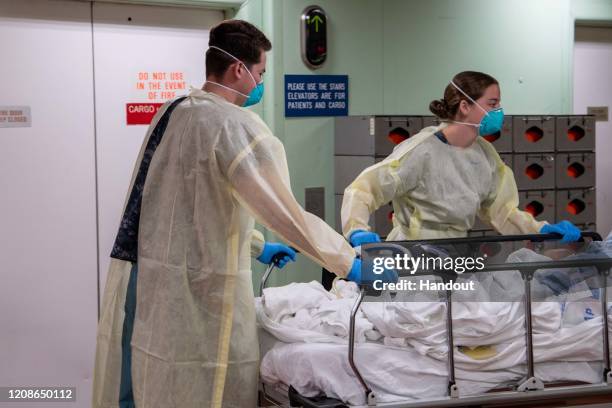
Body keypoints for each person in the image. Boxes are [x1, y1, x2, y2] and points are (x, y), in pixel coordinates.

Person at [92, 19, 386, 408]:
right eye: (261, 72)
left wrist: (257, 245)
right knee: (199, 386)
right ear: (238, 69)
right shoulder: (232, 125)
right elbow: (286, 212)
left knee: (153, 380)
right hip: (198, 290)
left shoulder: (174, 111)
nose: (260, 83)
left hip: (150, 281)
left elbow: (187, 208)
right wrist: (348, 262)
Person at [341, 71, 581, 246]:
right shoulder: (422, 150)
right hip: (413, 257)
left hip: (457, 254)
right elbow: (364, 189)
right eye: (492, 104)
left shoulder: (485, 155)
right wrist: (356, 230)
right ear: (465, 106)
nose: (499, 112)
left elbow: (503, 212)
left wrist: (542, 229)